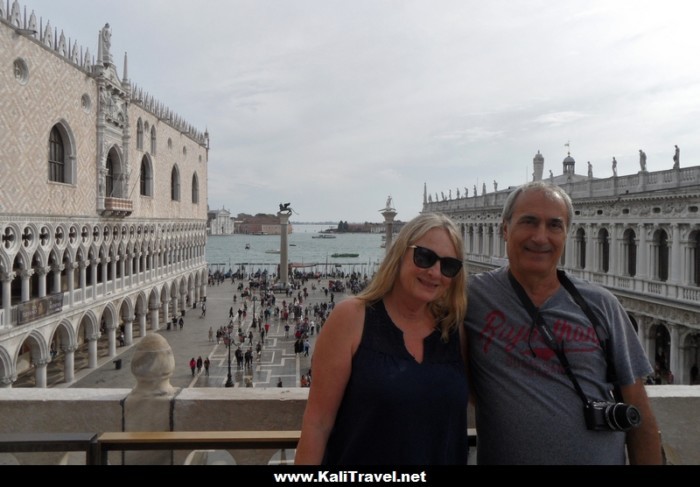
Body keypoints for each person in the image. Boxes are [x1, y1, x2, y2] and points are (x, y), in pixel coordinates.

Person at [464, 180, 663, 465]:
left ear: (566, 234)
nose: (541, 237)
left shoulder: (602, 305)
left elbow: (638, 410)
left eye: (554, 225)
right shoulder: (471, 298)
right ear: (504, 229)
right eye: (528, 222)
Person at [295, 212, 469, 465]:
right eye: (424, 257)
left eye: (449, 265)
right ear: (399, 254)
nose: (434, 272)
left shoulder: (454, 330)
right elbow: (317, 424)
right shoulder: (351, 318)